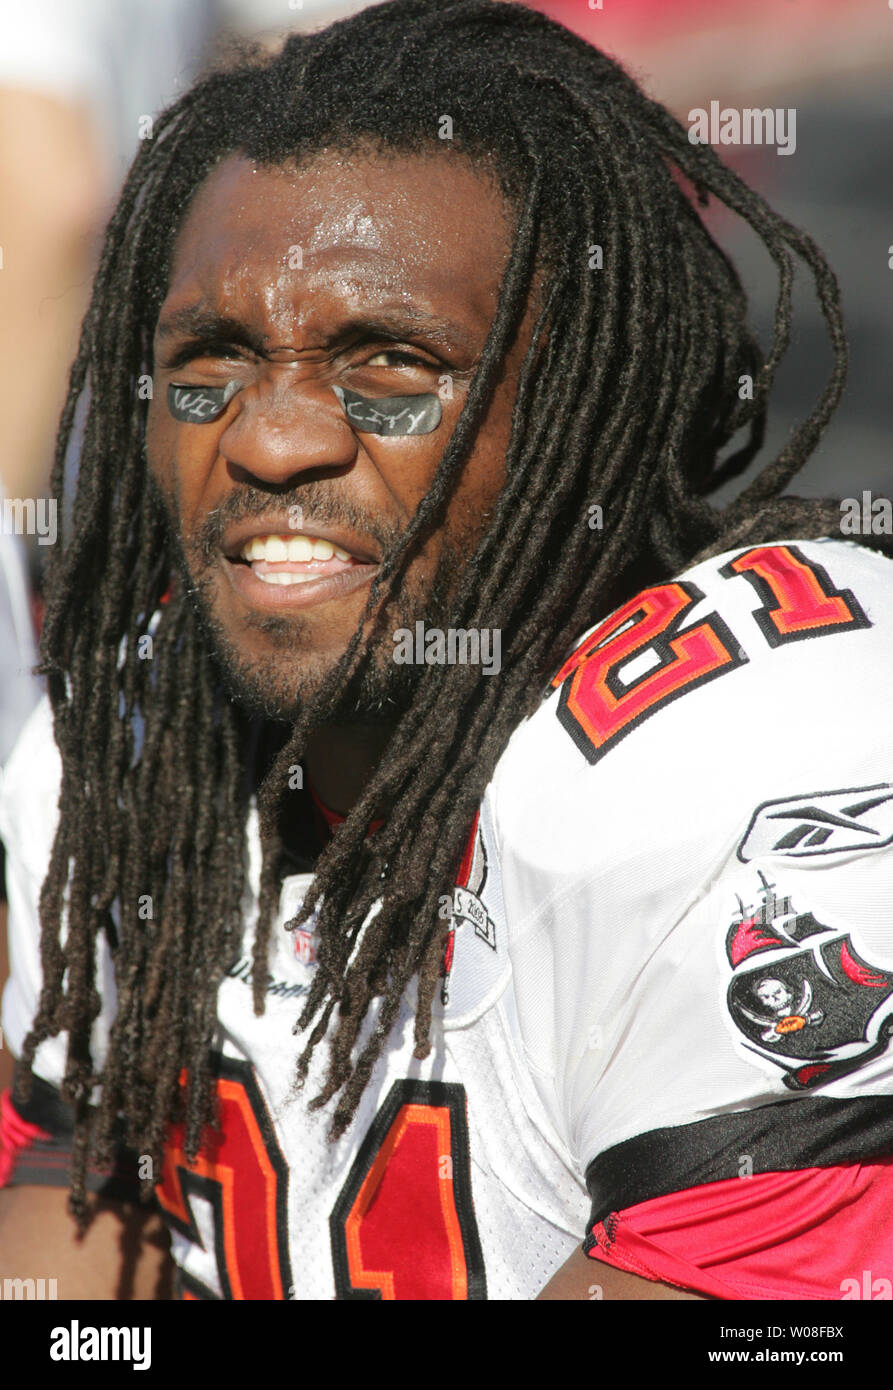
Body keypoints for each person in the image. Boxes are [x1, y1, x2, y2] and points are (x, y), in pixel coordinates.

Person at [1, 0, 892, 1302]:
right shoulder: (129, 740)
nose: (271, 439)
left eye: (392, 367)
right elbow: (65, 1277)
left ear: (589, 410)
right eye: (213, 362)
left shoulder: (748, 757)